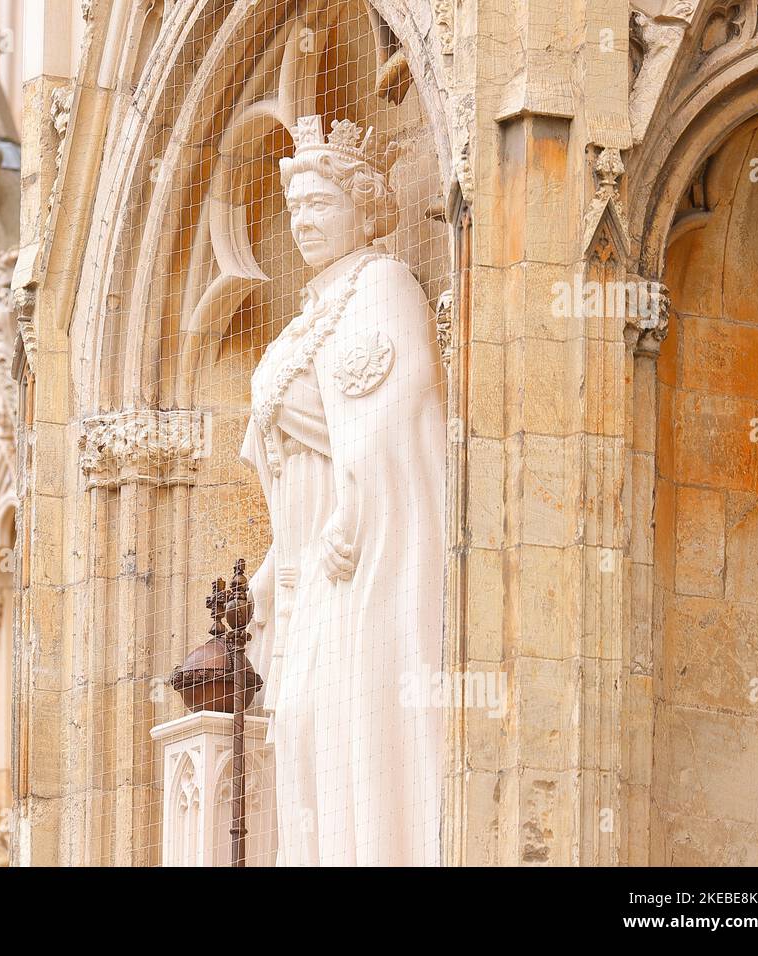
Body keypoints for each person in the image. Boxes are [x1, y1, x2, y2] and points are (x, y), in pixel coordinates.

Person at [241, 115, 445, 865]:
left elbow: (399, 412)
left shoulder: (382, 286)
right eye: (295, 211)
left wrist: (352, 516)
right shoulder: (305, 325)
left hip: (359, 558)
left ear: (365, 207)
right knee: (295, 727)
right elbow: (287, 464)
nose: (304, 224)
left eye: (321, 206)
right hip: (304, 569)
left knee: (347, 714)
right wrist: (266, 578)